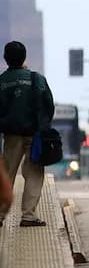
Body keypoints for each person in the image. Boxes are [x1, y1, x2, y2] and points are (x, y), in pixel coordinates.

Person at [0, 41, 54, 227]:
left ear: (5, 59)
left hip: (11, 136)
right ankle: (29, 216)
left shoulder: (2, 81)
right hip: (34, 135)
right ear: (24, 57)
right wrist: (43, 127)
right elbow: (48, 105)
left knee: (6, 174)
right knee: (34, 174)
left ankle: (0, 215)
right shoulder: (36, 79)